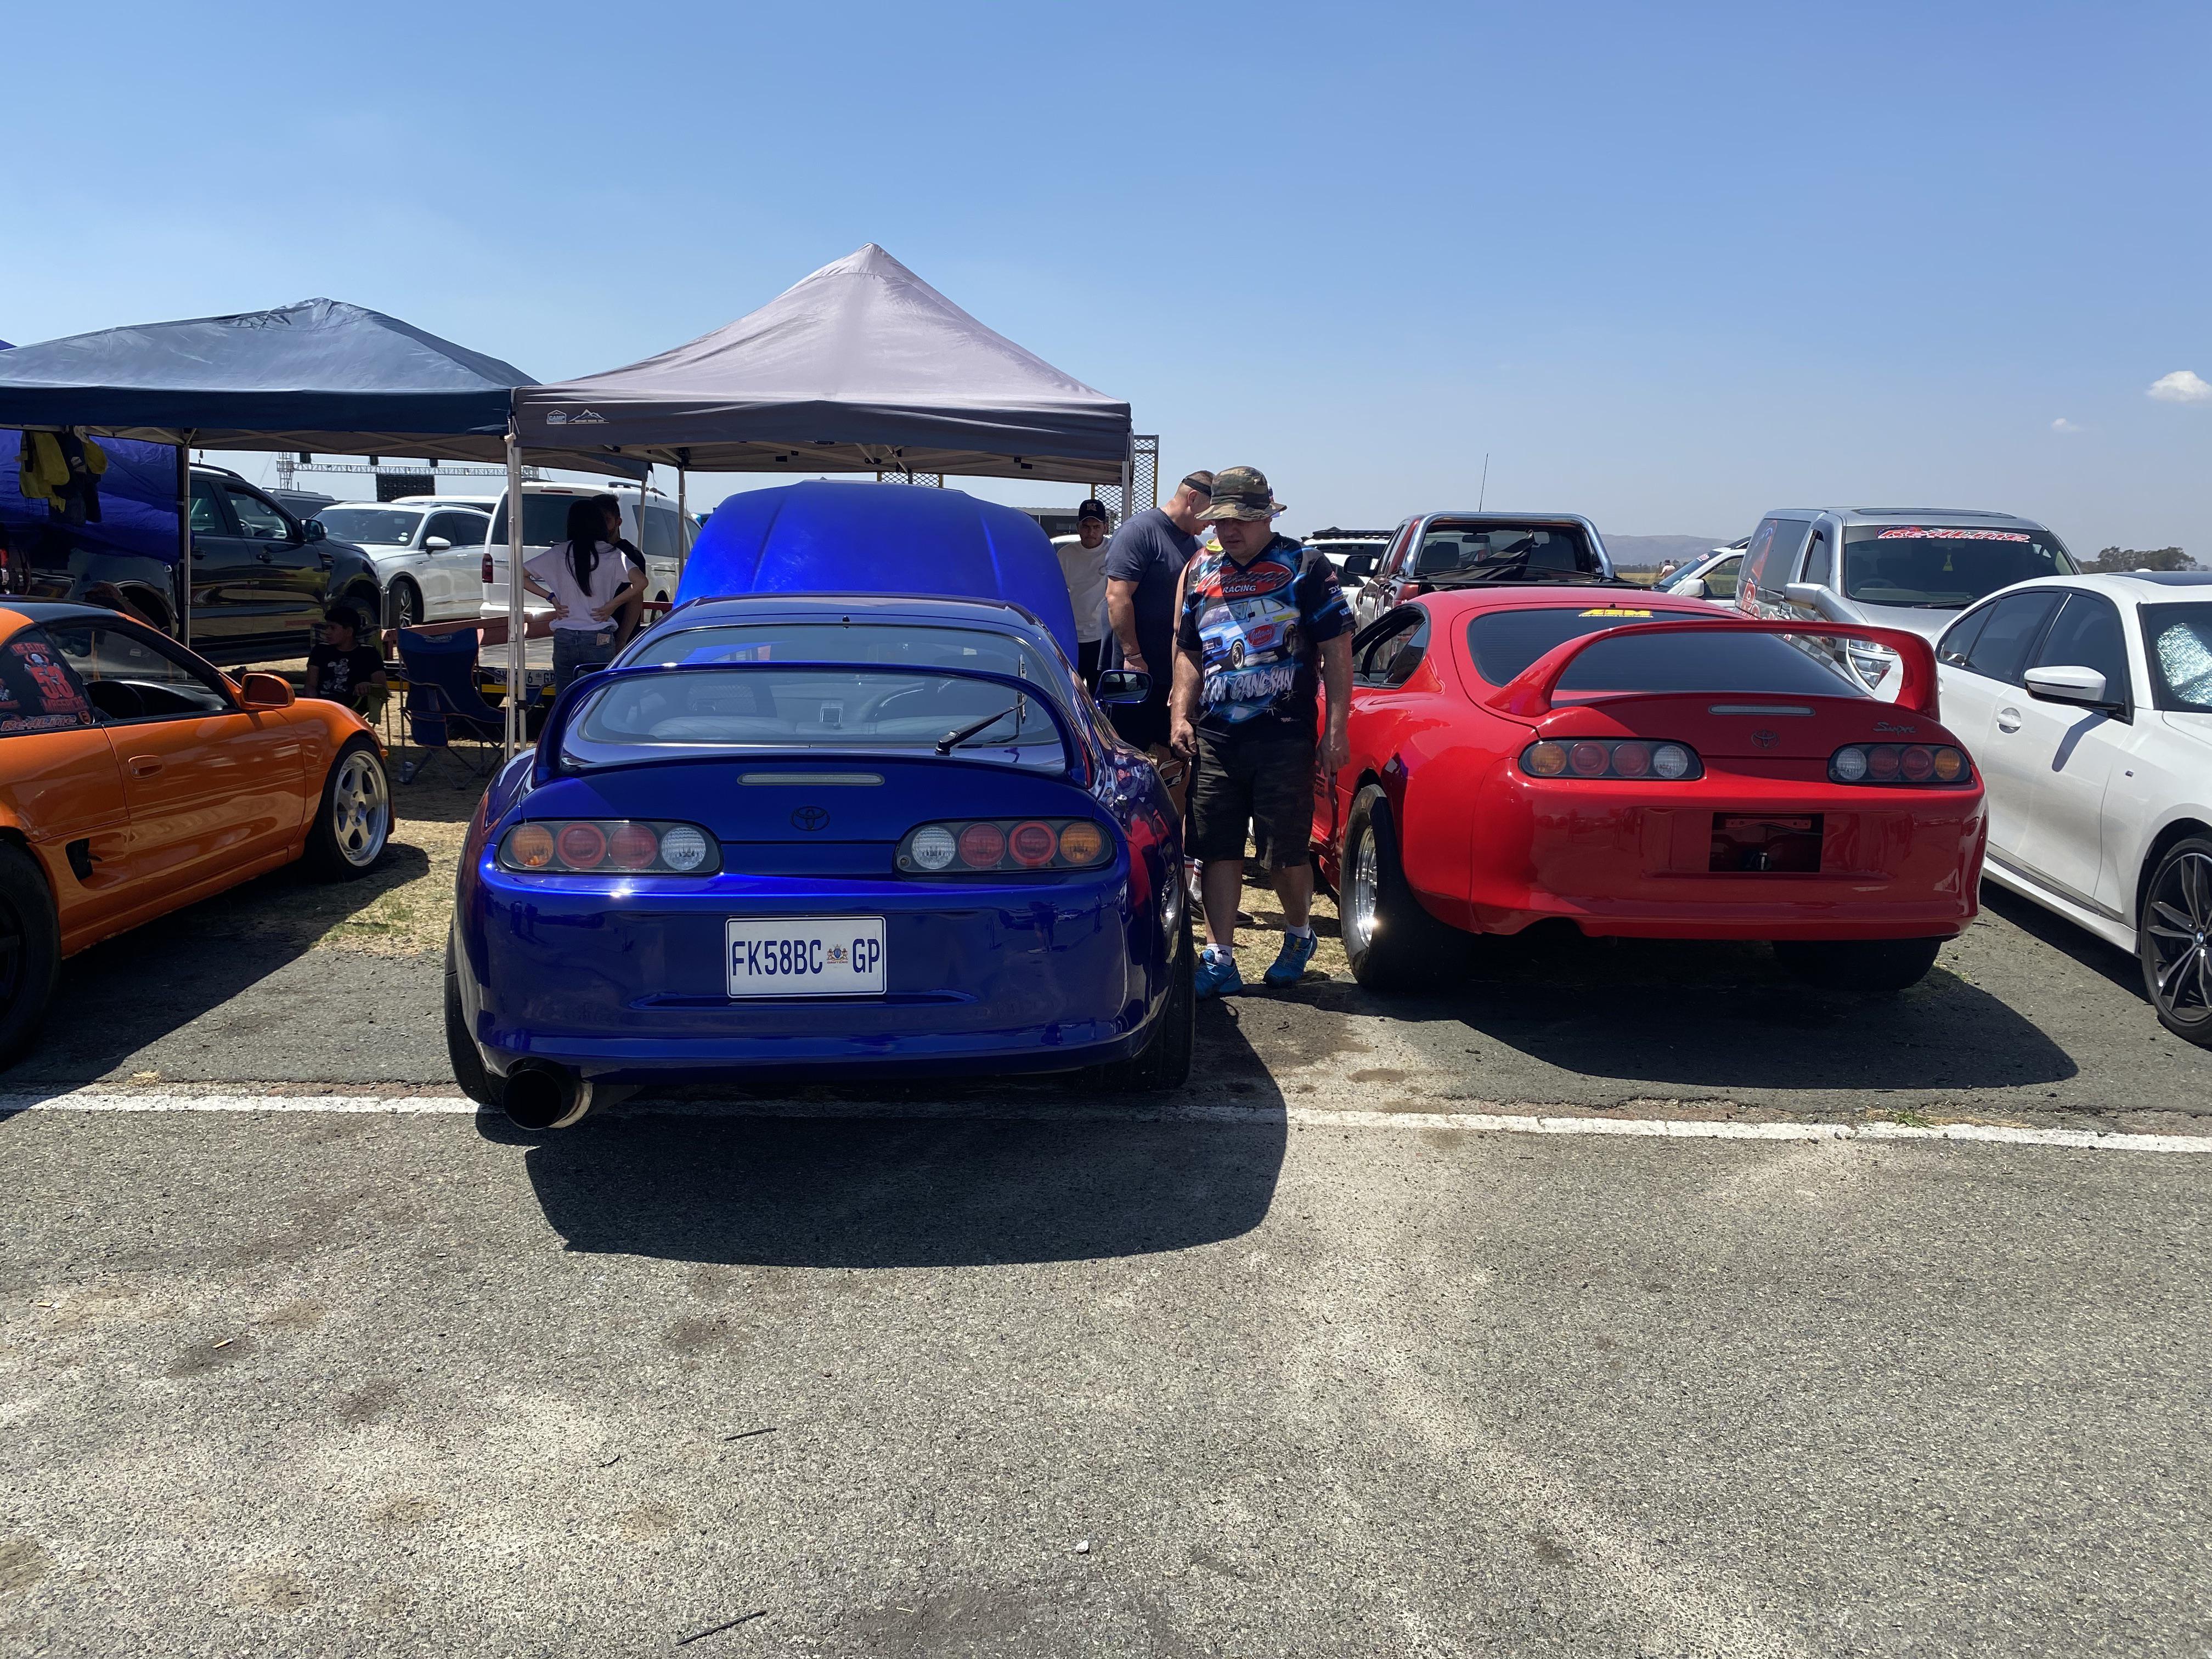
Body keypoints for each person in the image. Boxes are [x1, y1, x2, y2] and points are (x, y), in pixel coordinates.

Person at [1169, 466, 1353, 997]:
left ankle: (1299, 934)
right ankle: (1221, 956)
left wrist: (1336, 727)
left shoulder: (1306, 565)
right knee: (1217, 848)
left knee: (1284, 853)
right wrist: (1180, 713)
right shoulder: (1201, 568)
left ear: (1268, 516)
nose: (1230, 530)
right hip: (1218, 736)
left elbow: (1338, 649)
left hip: (1285, 733)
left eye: (1243, 520)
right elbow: (1190, 650)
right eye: (1222, 519)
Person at [1101, 470, 1214, 749]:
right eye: (1211, 512)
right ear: (1193, 498)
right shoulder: (1140, 532)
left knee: (1174, 751)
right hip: (1133, 671)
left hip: (1172, 675)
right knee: (1125, 752)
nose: (1212, 522)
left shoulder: (1195, 546)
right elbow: (1117, 596)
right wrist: (1133, 655)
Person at [525, 498, 646, 692]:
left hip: (564, 636)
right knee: (599, 698)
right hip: (598, 636)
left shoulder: (559, 552)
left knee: (566, 697)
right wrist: (612, 605)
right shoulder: (613, 554)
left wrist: (551, 598)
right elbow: (641, 583)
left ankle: (568, 723)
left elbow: (520, 575)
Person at [1055, 499, 1112, 683]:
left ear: (1105, 527)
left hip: (1102, 638)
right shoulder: (1065, 555)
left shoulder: (1114, 552)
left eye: (1096, 526)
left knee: (1101, 695)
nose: (1091, 532)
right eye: (1086, 527)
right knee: (1071, 690)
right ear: (1079, 527)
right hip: (1073, 637)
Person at [304, 606, 389, 721]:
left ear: (349, 632)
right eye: (326, 627)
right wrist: (313, 704)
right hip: (321, 704)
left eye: (333, 628)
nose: (327, 632)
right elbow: (311, 684)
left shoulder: (368, 653)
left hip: (352, 706)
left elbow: (382, 687)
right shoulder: (320, 650)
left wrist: (368, 685)